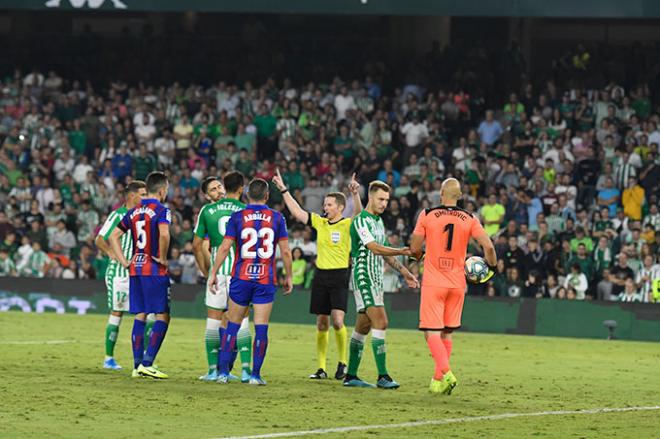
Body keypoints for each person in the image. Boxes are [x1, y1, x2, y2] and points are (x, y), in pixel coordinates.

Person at [410, 178, 497, 395]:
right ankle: (437, 381)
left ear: (441, 193)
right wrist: (492, 268)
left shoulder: (427, 214)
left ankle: (447, 373)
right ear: (459, 196)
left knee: (431, 332)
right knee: (447, 332)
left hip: (434, 281)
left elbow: (414, 248)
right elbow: (488, 246)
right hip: (457, 284)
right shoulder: (469, 218)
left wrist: (419, 255)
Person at [272, 169, 361, 380]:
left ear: (340, 207)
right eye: (325, 204)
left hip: (340, 275)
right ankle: (321, 368)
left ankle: (343, 363)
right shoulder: (320, 223)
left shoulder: (347, 224)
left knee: (338, 321)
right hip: (321, 276)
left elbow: (359, 213)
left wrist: (355, 194)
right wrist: (284, 190)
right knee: (322, 322)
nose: (325, 207)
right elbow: (297, 212)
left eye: (329, 205)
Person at [208, 178, 293, 385]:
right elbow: (286, 251)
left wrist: (213, 273)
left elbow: (225, 248)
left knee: (232, 326)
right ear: (266, 196)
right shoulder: (277, 217)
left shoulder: (237, 217)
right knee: (261, 328)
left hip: (241, 278)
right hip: (264, 278)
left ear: (247, 196)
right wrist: (289, 276)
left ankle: (223, 373)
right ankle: (255, 375)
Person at [343, 181, 419, 389]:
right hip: (364, 276)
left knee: (363, 326)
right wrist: (403, 251)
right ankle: (382, 376)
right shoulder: (360, 221)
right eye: (381, 199)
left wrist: (406, 273)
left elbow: (385, 253)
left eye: (387, 200)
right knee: (381, 322)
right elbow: (375, 248)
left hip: (376, 279)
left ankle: (350, 376)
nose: (384, 203)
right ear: (371, 197)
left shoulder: (378, 222)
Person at [109, 172, 172, 379]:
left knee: (141, 314)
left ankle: (137, 367)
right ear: (162, 191)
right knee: (163, 314)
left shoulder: (134, 211)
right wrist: (162, 257)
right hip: (153, 268)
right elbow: (164, 234)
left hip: (135, 267)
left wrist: (124, 261)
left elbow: (113, 236)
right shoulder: (163, 210)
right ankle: (148, 362)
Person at [193, 173, 253, 382]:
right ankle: (245, 371)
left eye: (219, 187)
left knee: (213, 321)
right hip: (241, 272)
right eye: (213, 189)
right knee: (243, 321)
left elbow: (196, 245)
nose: (217, 190)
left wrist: (206, 271)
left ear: (224, 188)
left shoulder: (207, 211)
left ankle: (213, 371)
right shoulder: (246, 211)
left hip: (218, 272)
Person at [95, 180, 148, 371]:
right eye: (142, 194)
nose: (145, 197)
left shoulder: (143, 214)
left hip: (139, 272)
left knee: (145, 313)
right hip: (119, 273)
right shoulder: (117, 214)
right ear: (132, 195)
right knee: (117, 313)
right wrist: (112, 254)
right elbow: (100, 239)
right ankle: (109, 358)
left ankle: (144, 360)